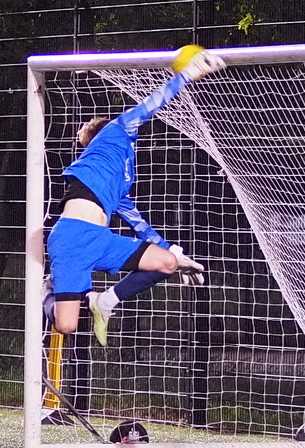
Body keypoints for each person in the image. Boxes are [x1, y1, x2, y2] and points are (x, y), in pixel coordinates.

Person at [43, 47, 226, 346]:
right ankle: (48, 291)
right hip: (72, 238)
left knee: (165, 263)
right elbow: (151, 104)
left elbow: (139, 225)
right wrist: (189, 74)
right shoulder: (114, 133)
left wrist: (178, 256)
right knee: (66, 325)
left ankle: (105, 302)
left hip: (100, 240)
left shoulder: (122, 181)